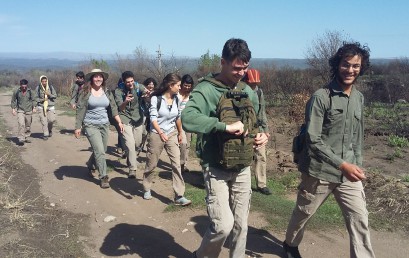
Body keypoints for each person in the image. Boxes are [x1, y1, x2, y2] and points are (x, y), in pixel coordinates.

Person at [283, 42, 375, 258]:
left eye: (356, 66)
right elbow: (313, 139)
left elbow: (358, 135)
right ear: (337, 65)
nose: (350, 70)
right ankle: (290, 245)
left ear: (362, 67)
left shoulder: (358, 98)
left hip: (348, 173)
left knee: (360, 219)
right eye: (346, 64)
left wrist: (357, 164)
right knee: (303, 213)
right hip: (319, 171)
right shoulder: (321, 97)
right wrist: (343, 165)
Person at [182, 38, 269, 258]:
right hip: (216, 166)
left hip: (242, 166)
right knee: (223, 225)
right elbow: (188, 118)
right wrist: (223, 126)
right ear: (223, 62)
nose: (241, 73)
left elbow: (255, 120)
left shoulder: (247, 91)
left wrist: (260, 134)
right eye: (236, 68)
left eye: (245, 68)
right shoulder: (206, 90)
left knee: (241, 225)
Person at [142, 73, 192, 206]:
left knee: (176, 164)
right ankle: (147, 187)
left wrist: (180, 132)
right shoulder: (156, 99)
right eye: (178, 85)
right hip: (156, 134)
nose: (180, 87)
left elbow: (178, 117)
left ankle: (179, 195)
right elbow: (153, 118)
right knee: (152, 164)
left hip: (171, 133)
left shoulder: (177, 99)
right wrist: (160, 132)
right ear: (171, 86)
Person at [74, 69, 124, 188]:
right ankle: (104, 177)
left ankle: (91, 164)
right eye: (95, 77)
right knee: (100, 151)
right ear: (91, 78)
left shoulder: (106, 91)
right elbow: (80, 110)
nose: (98, 79)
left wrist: (119, 122)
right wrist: (78, 127)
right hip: (90, 125)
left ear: (103, 79)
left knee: (102, 149)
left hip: (104, 124)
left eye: (100, 77)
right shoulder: (86, 92)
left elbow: (113, 107)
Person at [114, 71, 149, 178]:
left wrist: (148, 94)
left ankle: (130, 157)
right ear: (124, 82)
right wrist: (125, 101)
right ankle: (132, 169)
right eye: (128, 82)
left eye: (132, 81)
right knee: (130, 144)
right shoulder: (118, 91)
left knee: (137, 143)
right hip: (125, 118)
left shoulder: (138, 87)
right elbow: (120, 108)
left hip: (137, 118)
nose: (130, 83)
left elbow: (147, 92)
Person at [242, 68, 272, 195]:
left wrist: (265, 130)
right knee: (246, 156)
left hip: (258, 128)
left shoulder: (259, 92)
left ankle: (261, 184)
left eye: (256, 83)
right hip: (244, 129)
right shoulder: (241, 91)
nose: (254, 85)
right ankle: (244, 183)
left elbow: (262, 111)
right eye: (252, 83)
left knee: (261, 156)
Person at [11, 79, 36, 145]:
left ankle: (27, 136)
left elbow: (34, 100)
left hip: (29, 110)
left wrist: (34, 107)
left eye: (25, 86)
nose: (24, 88)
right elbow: (13, 100)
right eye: (23, 86)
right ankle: (21, 137)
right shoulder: (16, 91)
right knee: (21, 124)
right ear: (20, 85)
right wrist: (13, 109)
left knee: (28, 124)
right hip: (20, 110)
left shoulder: (30, 91)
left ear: (27, 85)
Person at [178, 74, 194, 173]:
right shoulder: (176, 94)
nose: (187, 87)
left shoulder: (192, 95)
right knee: (182, 143)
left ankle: (184, 164)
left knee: (187, 143)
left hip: (188, 121)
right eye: (185, 85)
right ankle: (180, 163)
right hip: (177, 121)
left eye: (189, 86)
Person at [35, 75, 57, 140]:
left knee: (51, 120)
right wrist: (42, 100)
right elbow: (35, 98)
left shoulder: (50, 87)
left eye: (45, 81)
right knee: (44, 121)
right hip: (41, 107)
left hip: (50, 106)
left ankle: (49, 130)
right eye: (43, 81)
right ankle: (45, 134)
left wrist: (49, 94)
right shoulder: (38, 88)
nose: (44, 83)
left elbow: (55, 96)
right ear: (41, 82)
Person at [140, 77, 158, 151]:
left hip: (152, 115)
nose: (151, 86)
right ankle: (140, 144)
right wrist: (143, 98)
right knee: (143, 132)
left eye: (152, 84)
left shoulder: (156, 93)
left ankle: (146, 146)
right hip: (143, 114)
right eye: (149, 84)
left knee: (150, 132)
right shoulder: (143, 92)